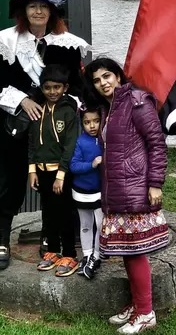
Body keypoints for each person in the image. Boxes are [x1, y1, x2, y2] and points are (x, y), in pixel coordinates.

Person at [0, 0, 90, 271]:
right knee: (11, 185)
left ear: (52, 13)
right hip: (18, 126)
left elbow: (77, 86)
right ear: (23, 11)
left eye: (44, 7)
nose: (38, 11)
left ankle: (50, 239)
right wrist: (23, 102)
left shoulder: (67, 44)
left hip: (53, 132)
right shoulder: (5, 41)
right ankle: (2, 239)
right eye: (32, 6)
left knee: (51, 187)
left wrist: (58, 106)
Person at [86, 57, 168, 335]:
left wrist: (155, 183)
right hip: (118, 188)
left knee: (135, 253)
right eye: (97, 80)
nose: (103, 83)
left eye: (107, 76)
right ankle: (138, 305)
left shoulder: (137, 101)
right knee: (127, 251)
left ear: (118, 76)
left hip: (134, 186)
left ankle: (146, 312)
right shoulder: (110, 108)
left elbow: (156, 143)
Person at [27, 63, 79, 276]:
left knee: (65, 213)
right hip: (42, 171)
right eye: (47, 87)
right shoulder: (38, 110)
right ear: (42, 88)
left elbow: (70, 146)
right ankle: (53, 251)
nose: (52, 92)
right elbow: (32, 142)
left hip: (62, 173)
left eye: (57, 87)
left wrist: (61, 175)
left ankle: (69, 254)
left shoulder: (68, 111)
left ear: (65, 87)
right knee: (48, 214)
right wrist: (32, 170)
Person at [70, 106, 104, 280]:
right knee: (85, 224)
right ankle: (87, 254)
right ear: (82, 124)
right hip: (81, 191)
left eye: (96, 121)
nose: (92, 126)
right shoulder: (80, 141)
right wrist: (91, 164)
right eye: (87, 122)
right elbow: (74, 166)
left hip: (100, 192)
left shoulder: (106, 139)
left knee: (100, 224)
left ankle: (96, 256)